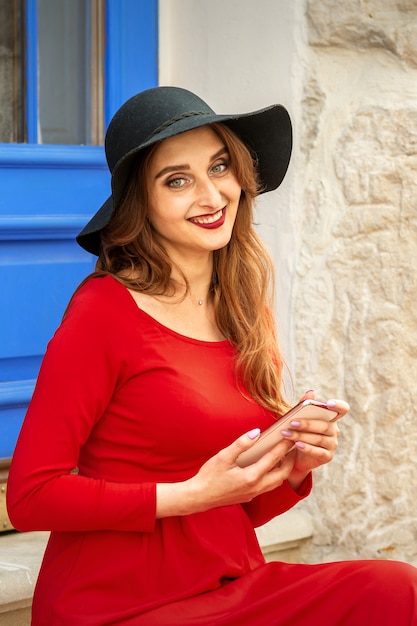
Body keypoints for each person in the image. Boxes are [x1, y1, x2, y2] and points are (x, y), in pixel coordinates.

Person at [7, 86, 417, 626]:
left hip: (230, 584)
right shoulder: (103, 311)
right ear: (141, 202)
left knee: (395, 589)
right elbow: (31, 497)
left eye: (219, 166)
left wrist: (290, 465)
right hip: (118, 602)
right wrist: (189, 495)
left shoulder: (244, 311)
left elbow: (237, 507)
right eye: (177, 180)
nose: (211, 194)